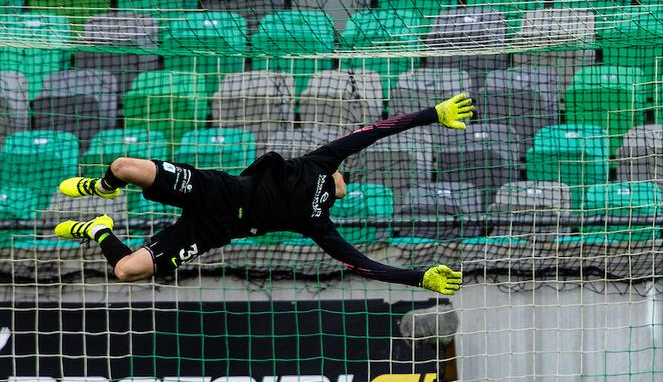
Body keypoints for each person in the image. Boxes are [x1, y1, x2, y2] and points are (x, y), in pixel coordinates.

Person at [53, 93, 475, 296]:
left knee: (126, 271)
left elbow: (361, 264)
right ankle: (103, 190)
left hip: (214, 228)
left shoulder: (317, 224)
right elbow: (372, 132)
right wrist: (431, 115)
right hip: (213, 189)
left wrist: (416, 277)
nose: (349, 179)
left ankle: (98, 230)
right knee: (123, 167)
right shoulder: (321, 162)